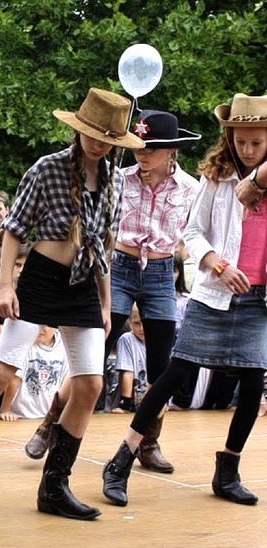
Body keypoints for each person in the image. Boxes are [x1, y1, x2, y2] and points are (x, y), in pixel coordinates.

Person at [0, 87, 144, 528]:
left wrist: (107, 300)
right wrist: (3, 287)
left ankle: (54, 486)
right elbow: (14, 229)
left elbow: (106, 246)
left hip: (83, 286)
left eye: (107, 138)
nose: (97, 143)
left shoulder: (114, 181)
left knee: (90, 385)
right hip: (40, 279)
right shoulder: (48, 167)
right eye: (92, 133)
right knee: (0, 374)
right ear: (79, 129)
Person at [102, 92, 267, 508]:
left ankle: (227, 471)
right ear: (229, 137)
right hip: (214, 294)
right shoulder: (217, 176)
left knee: (251, 385)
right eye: (240, 141)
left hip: (260, 301)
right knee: (173, 375)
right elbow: (192, 233)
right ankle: (122, 459)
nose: (246, 150)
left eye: (256, 143)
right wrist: (219, 265)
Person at [100, 109, 201, 474]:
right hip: (121, 268)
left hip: (160, 273)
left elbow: (197, 233)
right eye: (139, 145)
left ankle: (148, 442)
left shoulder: (192, 188)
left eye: (152, 147)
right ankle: (53, 425)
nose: (142, 153)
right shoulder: (119, 179)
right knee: (95, 349)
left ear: (172, 151)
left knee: (162, 366)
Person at [0, 326, 70, 423]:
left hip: (49, 415)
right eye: (37, 324)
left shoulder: (64, 346)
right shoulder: (25, 344)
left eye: (47, 325)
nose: (41, 329)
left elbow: (66, 381)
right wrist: (5, 410)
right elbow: (15, 379)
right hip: (20, 415)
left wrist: (59, 412)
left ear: (56, 327)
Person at [110, 304, 147, 414]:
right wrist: (125, 404)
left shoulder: (159, 339)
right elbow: (127, 372)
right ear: (130, 323)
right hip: (130, 400)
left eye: (145, 323)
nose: (141, 328)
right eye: (136, 323)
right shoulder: (127, 339)